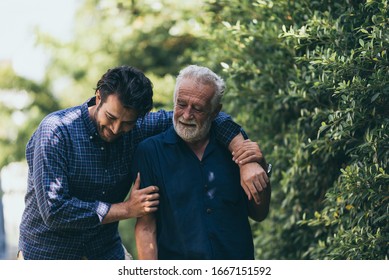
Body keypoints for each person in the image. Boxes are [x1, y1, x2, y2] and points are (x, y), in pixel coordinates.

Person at [18, 65, 266, 260]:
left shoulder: (138, 127)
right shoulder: (56, 131)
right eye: (111, 117)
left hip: (104, 255)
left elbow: (208, 118)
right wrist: (127, 209)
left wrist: (245, 156)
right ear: (98, 97)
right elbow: (54, 210)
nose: (116, 129)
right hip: (48, 256)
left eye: (127, 123)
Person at [133, 65, 271, 260]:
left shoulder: (236, 146)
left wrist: (260, 168)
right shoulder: (150, 152)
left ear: (215, 112)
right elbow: (147, 226)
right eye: (181, 104)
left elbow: (259, 214)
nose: (187, 115)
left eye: (197, 108)